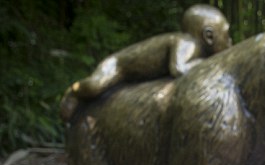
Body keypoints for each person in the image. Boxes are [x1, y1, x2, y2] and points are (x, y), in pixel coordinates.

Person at [60, 4, 231, 121]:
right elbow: (179, 68)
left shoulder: (193, 48)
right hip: (117, 65)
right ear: (208, 36)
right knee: (94, 85)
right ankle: (74, 91)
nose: (230, 41)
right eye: (226, 35)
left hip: (132, 75)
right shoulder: (187, 43)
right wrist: (212, 64)